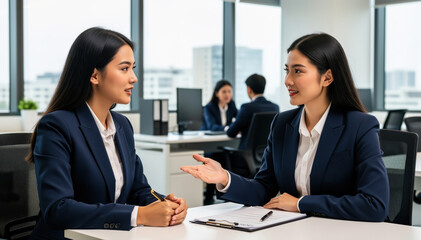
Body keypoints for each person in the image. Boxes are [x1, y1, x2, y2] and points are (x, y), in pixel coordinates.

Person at [181, 33, 389, 222]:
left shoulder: (359, 126)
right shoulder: (282, 124)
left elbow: (374, 205)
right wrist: (225, 178)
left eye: (298, 71)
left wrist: (300, 204)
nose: (288, 80)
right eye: (287, 71)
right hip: (295, 231)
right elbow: (263, 189)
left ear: (327, 77)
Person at [27, 27, 187, 239]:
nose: (134, 78)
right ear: (94, 75)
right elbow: (58, 209)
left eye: (133, 68)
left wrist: (166, 204)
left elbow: (139, 190)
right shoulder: (57, 126)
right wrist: (139, 215)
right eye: (124, 68)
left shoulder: (122, 126)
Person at [226, 74, 279, 150]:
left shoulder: (247, 107)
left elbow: (231, 132)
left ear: (249, 89)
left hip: (246, 155)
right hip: (268, 154)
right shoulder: (275, 107)